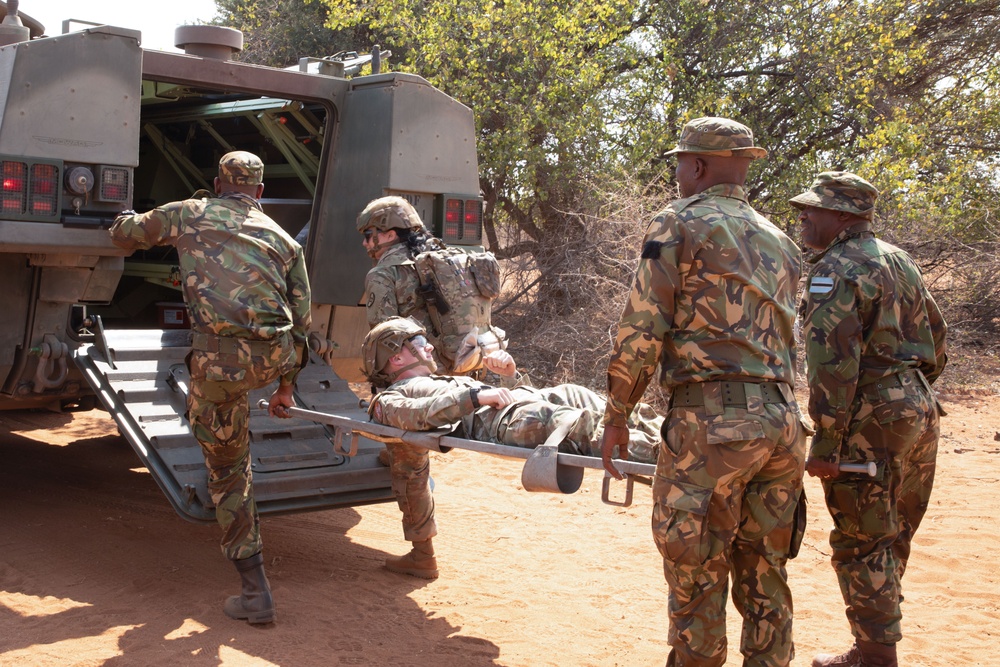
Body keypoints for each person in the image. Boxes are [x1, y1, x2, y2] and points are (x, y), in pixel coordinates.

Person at [598, 117, 806, 666]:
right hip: (783, 422)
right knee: (766, 571)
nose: (677, 175)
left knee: (695, 566)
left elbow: (643, 328)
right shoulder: (780, 239)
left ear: (698, 166)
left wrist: (617, 412)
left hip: (711, 425)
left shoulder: (679, 224)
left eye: (679, 164)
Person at [109, 151, 311, 625]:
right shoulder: (284, 239)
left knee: (229, 471)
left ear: (218, 183)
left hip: (220, 366)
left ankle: (255, 591)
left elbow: (125, 235)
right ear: (259, 192)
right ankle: (231, 441)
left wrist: (119, 214)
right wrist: (285, 389)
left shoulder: (189, 212)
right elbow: (304, 324)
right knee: (234, 409)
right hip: (273, 357)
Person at [362, 317, 664, 579]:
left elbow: (497, 394)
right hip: (505, 420)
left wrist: (510, 377)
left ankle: (677, 433)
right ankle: (678, 457)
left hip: (529, 399)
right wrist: (475, 397)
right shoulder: (387, 400)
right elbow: (418, 416)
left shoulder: (441, 379)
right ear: (395, 358)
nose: (428, 346)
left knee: (604, 405)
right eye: (417, 342)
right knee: (582, 426)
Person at [791, 172, 947, 667]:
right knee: (894, 531)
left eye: (812, 210)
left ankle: (878, 656)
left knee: (862, 539)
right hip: (919, 409)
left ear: (841, 216)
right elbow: (937, 338)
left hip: (871, 416)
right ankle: (871, 646)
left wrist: (827, 444)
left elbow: (832, 367)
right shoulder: (899, 259)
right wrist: (910, 389)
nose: (803, 218)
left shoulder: (834, 269)